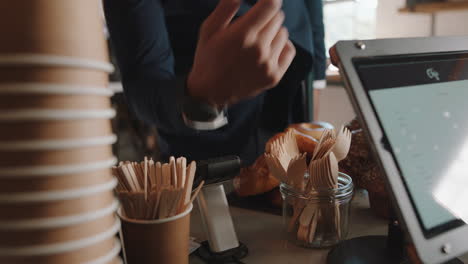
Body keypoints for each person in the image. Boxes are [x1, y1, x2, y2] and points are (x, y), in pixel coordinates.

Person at [104, 0, 326, 166]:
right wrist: (203, 96)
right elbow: (142, 85)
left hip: (298, 118)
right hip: (212, 158)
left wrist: (316, 87)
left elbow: (313, 17)